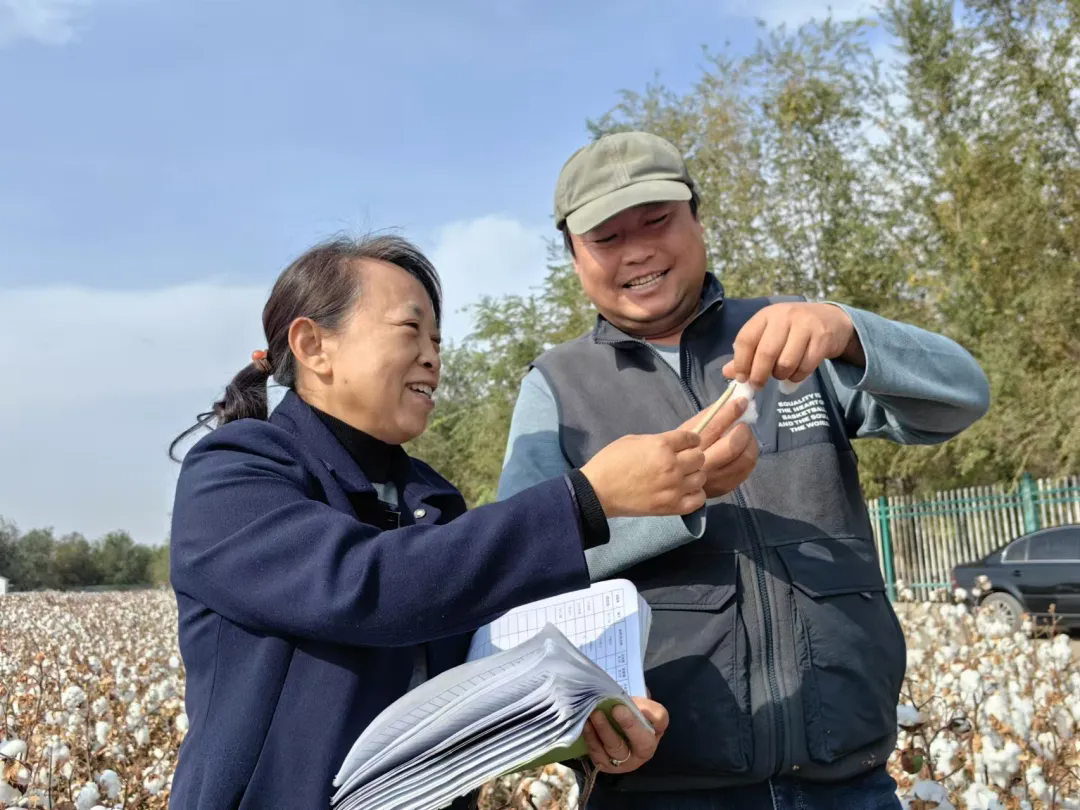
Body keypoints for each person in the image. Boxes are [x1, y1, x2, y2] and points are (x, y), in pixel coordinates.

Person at [497, 131, 992, 809]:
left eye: (656, 220)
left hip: (849, 780)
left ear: (697, 221)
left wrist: (848, 331)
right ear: (575, 258)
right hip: (661, 791)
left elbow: (964, 397)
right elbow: (521, 570)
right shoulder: (557, 385)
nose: (636, 251)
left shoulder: (791, 333)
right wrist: (668, 506)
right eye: (606, 238)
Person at [165, 234, 707, 809]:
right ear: (313, 345)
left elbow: (474, 684)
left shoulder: (431, 500)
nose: (432, 357)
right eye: (410, 329)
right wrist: (583, 501)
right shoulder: (233, 473)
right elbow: (363, 586)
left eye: (437, 340)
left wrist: (584, 725)